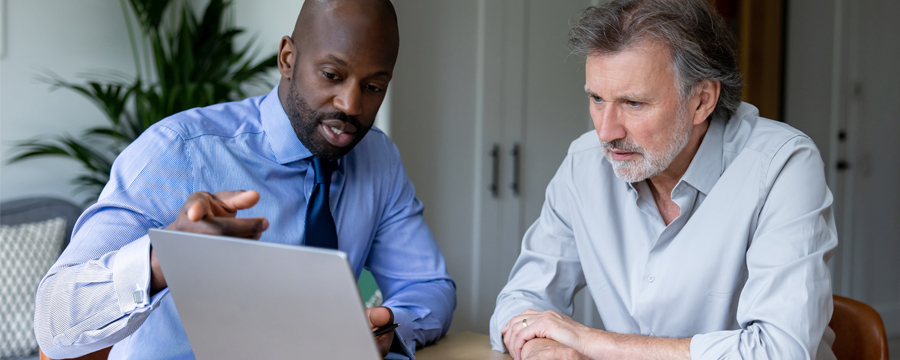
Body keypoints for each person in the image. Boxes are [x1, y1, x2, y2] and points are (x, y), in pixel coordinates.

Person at [33, 0, 456, 359]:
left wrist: (388, 330)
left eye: (374, 86)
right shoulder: (180, 150)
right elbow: (54, 319)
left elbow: (429, 286)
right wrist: (162, 260)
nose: (351, 104)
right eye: (331, 75)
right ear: (288, 58)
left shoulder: (378, 158)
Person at [490, 0, 837, 359]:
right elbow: (521, 300)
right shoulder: (585, 164)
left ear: (702, 100)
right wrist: (546, 350)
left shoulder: (783, 165)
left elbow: (779, 351)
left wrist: (594, 342)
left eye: (633, 103)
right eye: (596, 98)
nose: (606, 131)